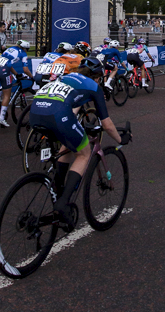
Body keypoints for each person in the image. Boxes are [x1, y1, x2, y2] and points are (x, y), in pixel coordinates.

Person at [29, 56, 130, 229]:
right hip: (57, 114)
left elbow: (73, 109)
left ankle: (59, 191)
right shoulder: (94, 87)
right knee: (84, 154)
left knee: (68, 145)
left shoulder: (68, 77)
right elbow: (106, 124)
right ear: (98, 77)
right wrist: (122, 139)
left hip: (36, 111)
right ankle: (63, 203)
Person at [0, 39, 35, 127]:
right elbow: (25, 69)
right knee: (7, 95)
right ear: (25, 48)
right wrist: (32, 77)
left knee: (8, 80)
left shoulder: (10, 48)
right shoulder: (23, 53)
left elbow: (9, 64)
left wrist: (16, 74)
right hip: (3, 70)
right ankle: (1, 118)